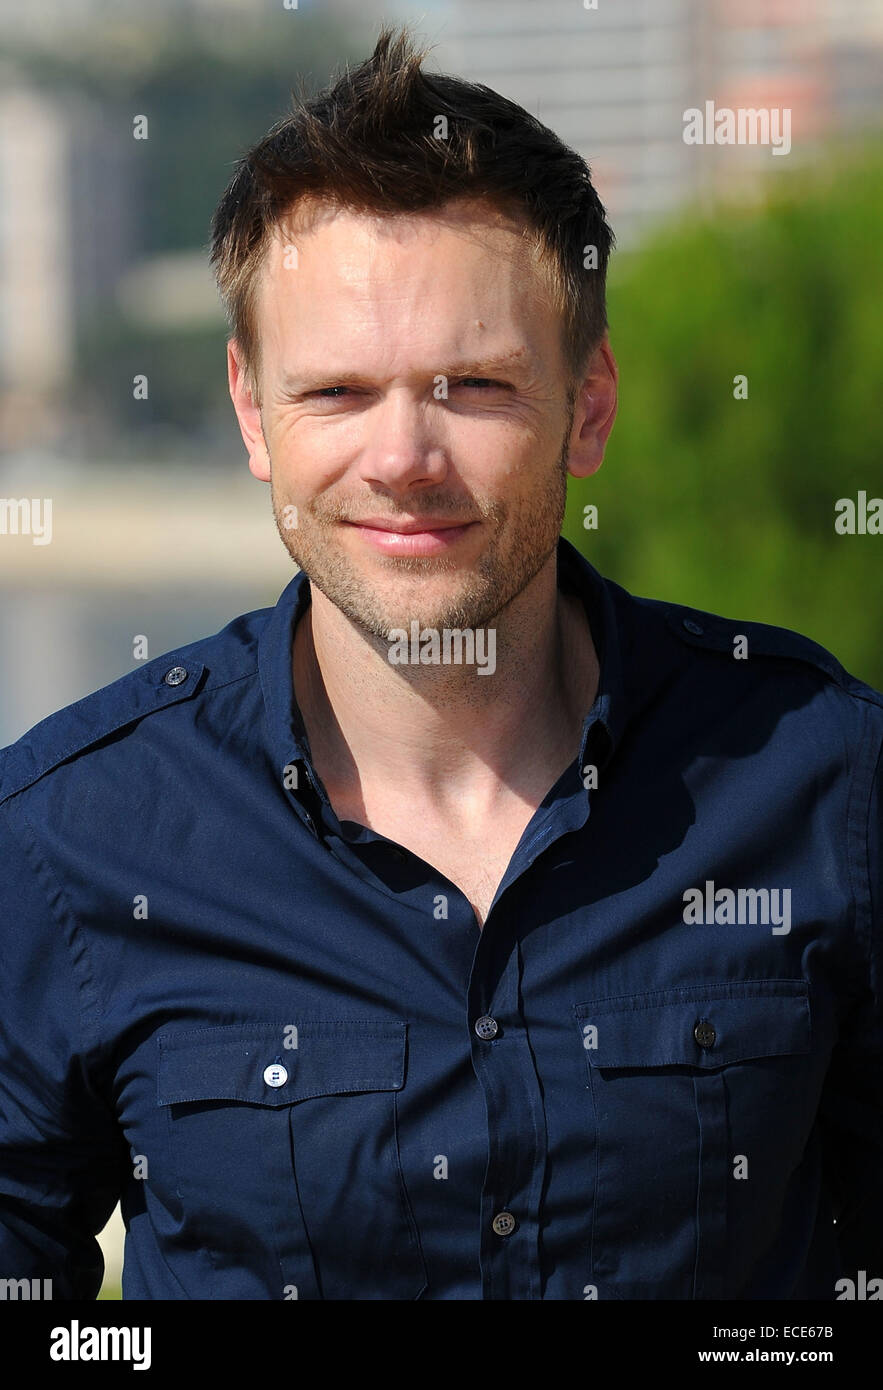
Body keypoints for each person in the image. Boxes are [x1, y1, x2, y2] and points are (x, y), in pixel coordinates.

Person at [0, 24, 880, 1302]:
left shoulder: (825, 781)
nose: (402, 457)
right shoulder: (63, 838)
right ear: (252, 414)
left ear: (587, 405)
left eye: (471, 384)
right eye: (336, 394)